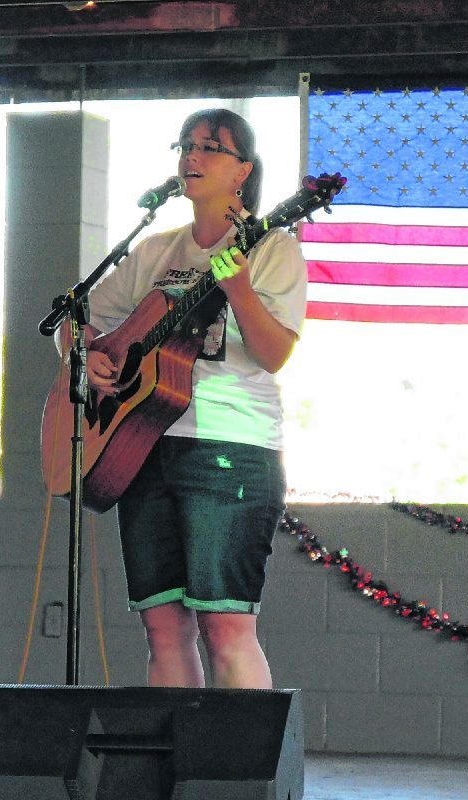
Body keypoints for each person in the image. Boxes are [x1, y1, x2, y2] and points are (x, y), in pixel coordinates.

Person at [80, 108, 307, 689]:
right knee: (162, 628)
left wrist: (237, 290)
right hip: (140, 443)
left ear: (243, 172)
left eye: (210, 147)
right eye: (185, 145)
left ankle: (237, 777)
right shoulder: (156, 250)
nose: (192, 157)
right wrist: (92, 359)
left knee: (225, 626)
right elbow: (82, 319)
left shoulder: (273, 248)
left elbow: (274, 353)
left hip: (229, 444)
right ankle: (172, 772)